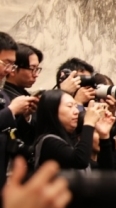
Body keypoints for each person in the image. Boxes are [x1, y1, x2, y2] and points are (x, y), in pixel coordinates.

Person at [32, 91, 106, 170]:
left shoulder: (71, 139)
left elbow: (105, 172)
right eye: (70, 106)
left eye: (76, 106)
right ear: (53, 110)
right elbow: (80, 161)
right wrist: (89, 122)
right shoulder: (49, 142)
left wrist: (105, 137)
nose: (77, 111)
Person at [0, 34, 39, 181]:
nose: (9, 71)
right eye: (6, 63)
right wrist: (12, 111)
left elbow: (13, 134)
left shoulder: (3, 95)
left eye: (12, 65)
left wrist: (25, 116)